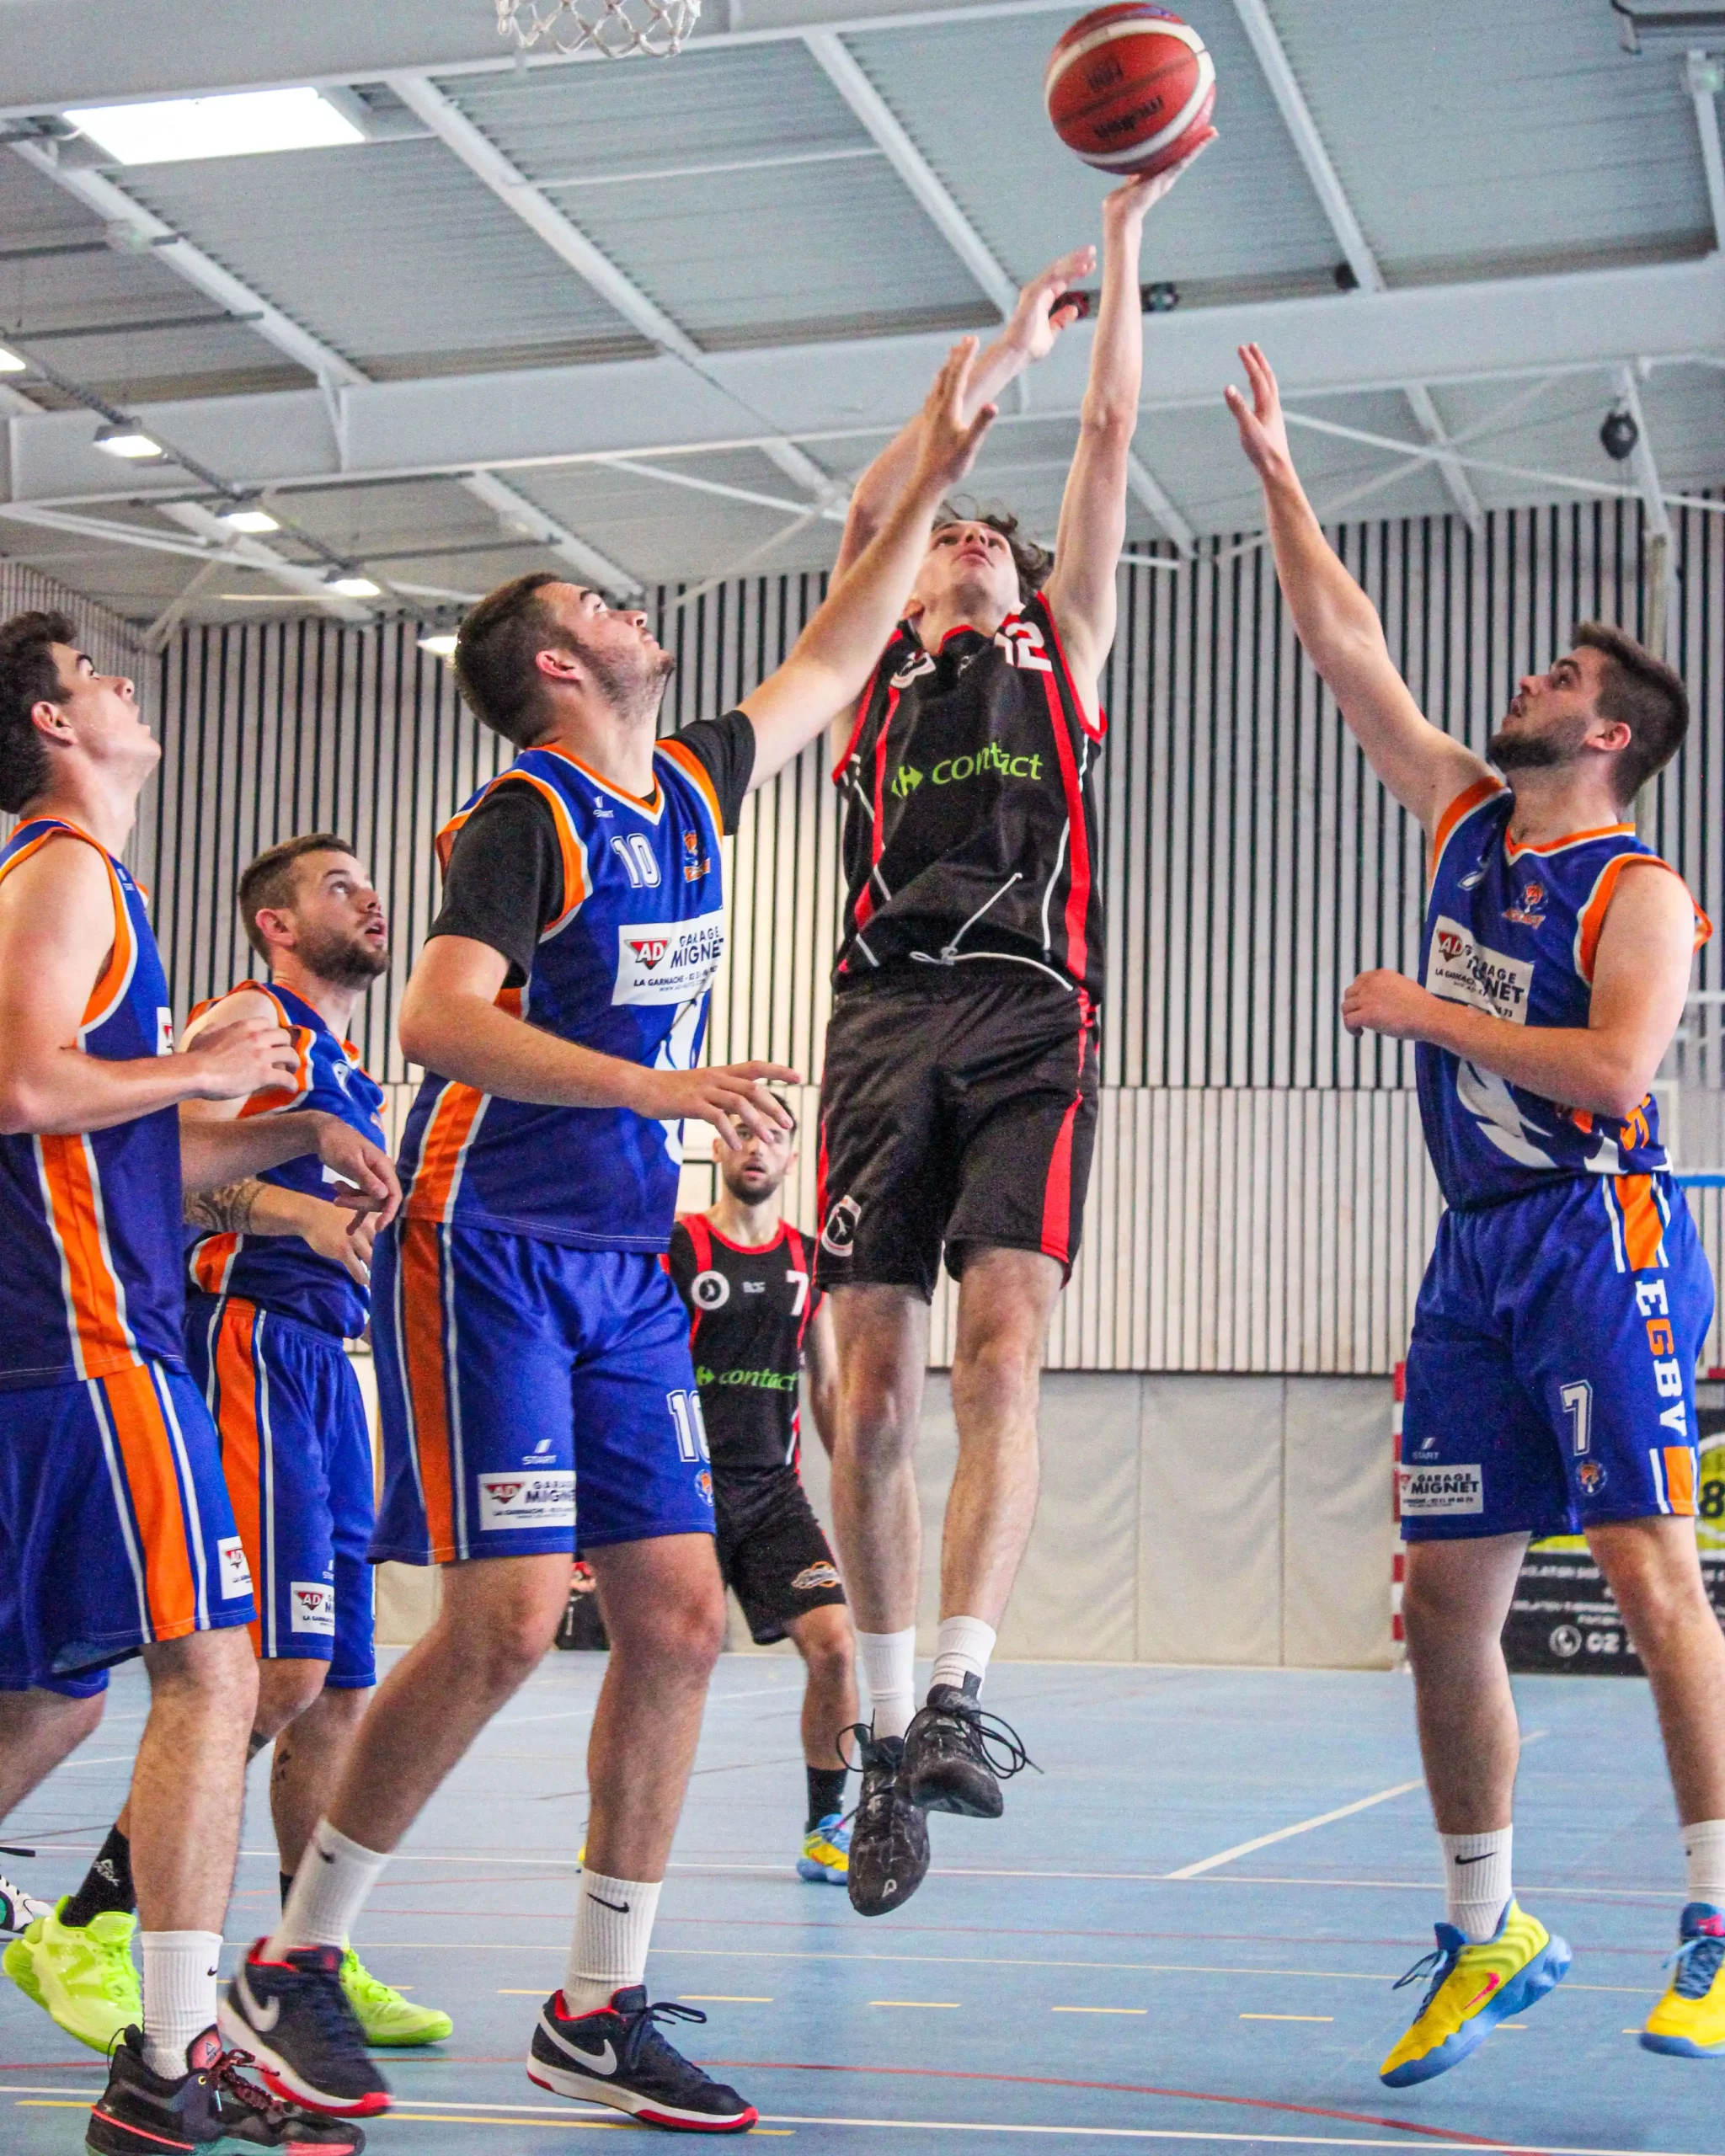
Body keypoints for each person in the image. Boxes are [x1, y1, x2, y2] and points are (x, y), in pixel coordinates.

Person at [217, 344, 1000, 2132]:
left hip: (617, 1270)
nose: (630, 601)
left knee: (672, 1621)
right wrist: (664, 1097)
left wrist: (947, 431)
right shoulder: (525, 817)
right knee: (503, 1623)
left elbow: (845, 628)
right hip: (485, 1233)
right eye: (594, 598)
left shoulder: (698, 785)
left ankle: (598, 1996)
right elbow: (436, 1020)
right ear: (558, 667)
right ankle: (296, 1957)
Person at [1228, 340, 1725, 2079]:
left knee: (1653, 1570)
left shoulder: (1637, 882)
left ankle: (1716, 1919)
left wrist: (1422, 1009)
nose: (1526, 671)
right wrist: (1282, 473)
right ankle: (1482, 1919)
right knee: (1441, 1600)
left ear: (1608, 733)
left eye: (1559, 669)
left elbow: (1609, 1070)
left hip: (1602, 1228)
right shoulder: (1462, 819)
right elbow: (1343, 644)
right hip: (1475, 1252)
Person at [814, 144, 1212, 1918]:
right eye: (950, 535)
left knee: (1002, 1347)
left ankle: (964, 1687)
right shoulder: (867, 678)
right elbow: (875, 510)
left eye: (987, 529)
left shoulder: (1058, 643)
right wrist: (976, 377)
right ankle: (887, 1733)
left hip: (1033, 1016)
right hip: (878, 1025)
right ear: (909, 581)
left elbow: (1113, 442)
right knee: (872, 1394)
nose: (973, 538)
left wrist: (1119, 244)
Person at [0, 611, 398, 2155]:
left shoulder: (87, 884)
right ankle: (168, 2060)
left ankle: (167, 2049)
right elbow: (28, 1087)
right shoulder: (61, 870)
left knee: (54, 1692)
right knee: (218, 1673)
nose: (123, 685)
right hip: (99, 1343)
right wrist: (206, 1069)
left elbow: (125, 1154)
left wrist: (286, 1135)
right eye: (97, 674)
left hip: (83, 1330)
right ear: (52, 721)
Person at [665, 1102, 854, 1886]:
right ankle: (617, 1824)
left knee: (838, 1648)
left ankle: (822, 1831)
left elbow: (831, 1386)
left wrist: (863, 1487)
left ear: (790, 1154)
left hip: (775, 1498)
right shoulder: (681, 1244)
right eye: (741, 1133)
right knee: (670, 1663)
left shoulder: (808, 1262)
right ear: (717, 1147)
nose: (755, 1147)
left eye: (771, 1136)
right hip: (684, 1494)